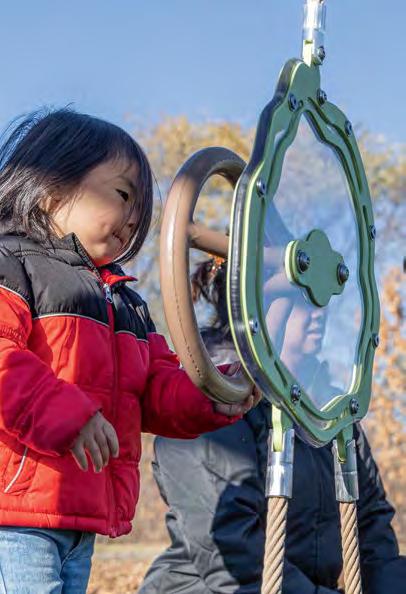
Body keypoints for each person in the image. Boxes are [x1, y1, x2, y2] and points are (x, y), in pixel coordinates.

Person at [0, 109, 257, 594]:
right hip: (14, 515)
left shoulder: (125, 305)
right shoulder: (12, 266)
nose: (135, 217)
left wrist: (212, 392)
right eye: (122, 195)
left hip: (77, 516)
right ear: (51, 186)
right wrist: (68, 416)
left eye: (141, 207)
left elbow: (157, 387)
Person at [139, 256, 406, 594]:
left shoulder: (331, 412)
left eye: (320, 298)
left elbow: (371, 528)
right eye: (300, 297)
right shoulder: (211, 403)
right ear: (256, 307)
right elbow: (236, 556)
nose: (318, 312)